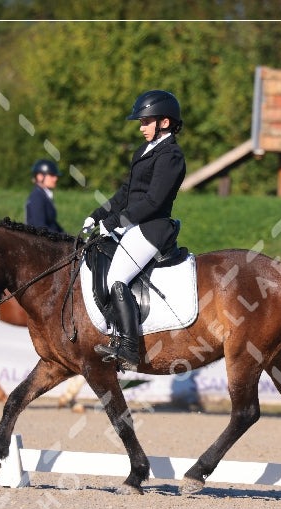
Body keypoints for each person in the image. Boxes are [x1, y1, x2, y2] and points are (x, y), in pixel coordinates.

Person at [82, 90, 187, 369]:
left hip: (153, 228)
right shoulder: (144, 150)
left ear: (164, 122)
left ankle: (128, 347)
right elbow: (126, 192)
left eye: (145, 122)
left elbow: (153, 201)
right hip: (134, 226)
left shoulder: (172, 156)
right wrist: (98, 215)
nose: (141, 128)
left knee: (117, 277)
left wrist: (116, 222)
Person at [25, 158, 65, 234]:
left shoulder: (44, 195)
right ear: (40, 176)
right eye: (52, 175)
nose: (56, 178)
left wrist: (69, 237)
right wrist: (62, 238)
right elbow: (40, 227)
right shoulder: (37, 197)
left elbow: (53, 223)